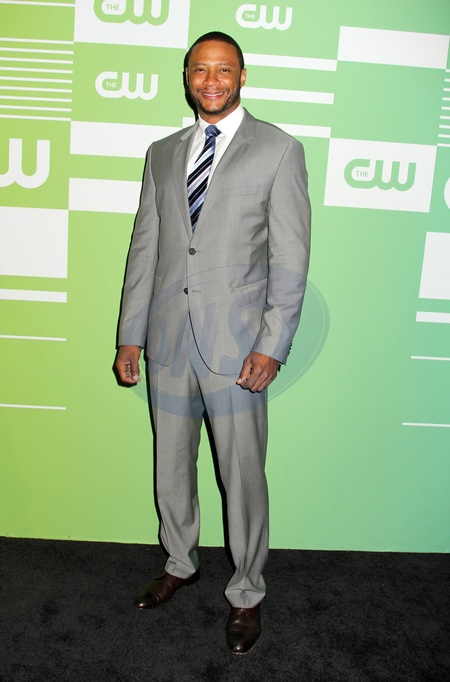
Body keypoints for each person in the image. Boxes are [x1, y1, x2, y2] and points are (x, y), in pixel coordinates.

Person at [114, 31, 311, 655]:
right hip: (168, 339)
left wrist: (272, 344)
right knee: (170, 465)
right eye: (200, 69)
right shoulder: (161, 153)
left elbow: (290, 258)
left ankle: (248, 591)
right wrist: (130, 335)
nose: (211, 80)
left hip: (238, 347)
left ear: (242, 77)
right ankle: (180, 561)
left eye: (223, 69)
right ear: (187, 77)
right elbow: (145, 247)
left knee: (242, 475)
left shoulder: (279, 150)